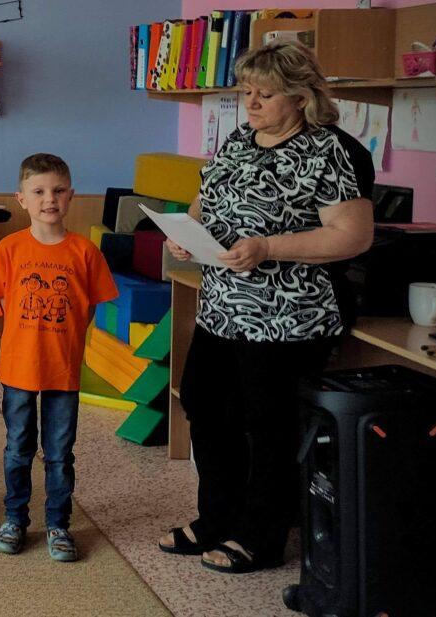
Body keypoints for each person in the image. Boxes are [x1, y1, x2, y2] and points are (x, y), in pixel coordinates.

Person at [160, 41, 373, 574]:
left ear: (302, 97)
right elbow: (208, 198)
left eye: (265, 94)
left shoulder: (332, 151)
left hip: (288, 316)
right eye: (246, 91)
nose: (250, 103)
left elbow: (352, 235)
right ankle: (217, 519)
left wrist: (268, 247)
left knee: (269, 425)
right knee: (205, 405)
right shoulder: (239, 139)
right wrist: (186, 232)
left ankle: (262, 535)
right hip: (222, 308)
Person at [0, 155, 118, 561]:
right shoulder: (8, 249)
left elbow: (89, 308)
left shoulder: (85, 252)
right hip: (18, 369)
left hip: (63, 371)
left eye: (58, 190)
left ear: (71, 195)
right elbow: (2, 306)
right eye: (39, 191)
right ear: (21, 198)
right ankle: (15, 519)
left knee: (59, 454)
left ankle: (58, 524)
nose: (49, 199)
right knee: (18, 449)